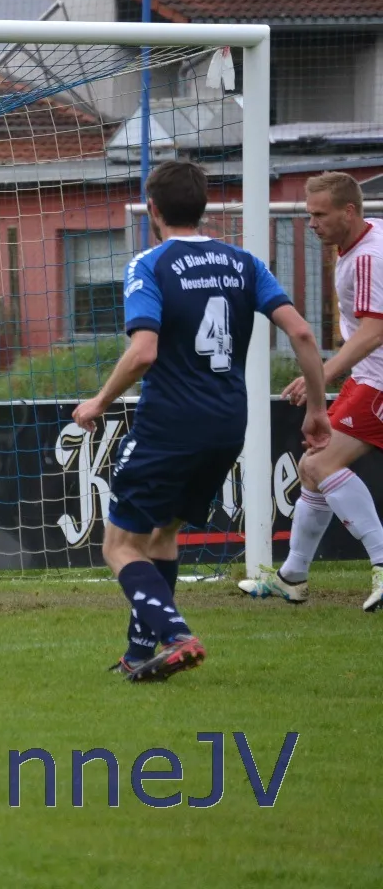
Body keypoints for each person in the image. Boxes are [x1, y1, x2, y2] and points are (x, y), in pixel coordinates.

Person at [73, 160, 329, 682]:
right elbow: (303, 333)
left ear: (153, 209)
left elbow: (143, 352)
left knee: (119, 544)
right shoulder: (244, 262)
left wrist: (98, 401)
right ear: (203, 206)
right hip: (229, 422)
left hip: (170, 422)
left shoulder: (149, 264)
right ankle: (138, 653)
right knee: (163, 534)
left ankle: (176, 635)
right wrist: (318, 409)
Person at [241, 172, 383, 611]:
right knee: (311, 467)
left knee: (320, 463)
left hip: (378, 380)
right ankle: (293, 576)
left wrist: (321, 374)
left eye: (320, 215)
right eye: (309, 214)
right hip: (368, 376)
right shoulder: (364, 242)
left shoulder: (368, 257)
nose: (313, 223)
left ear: (349, 211)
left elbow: (375, 331)